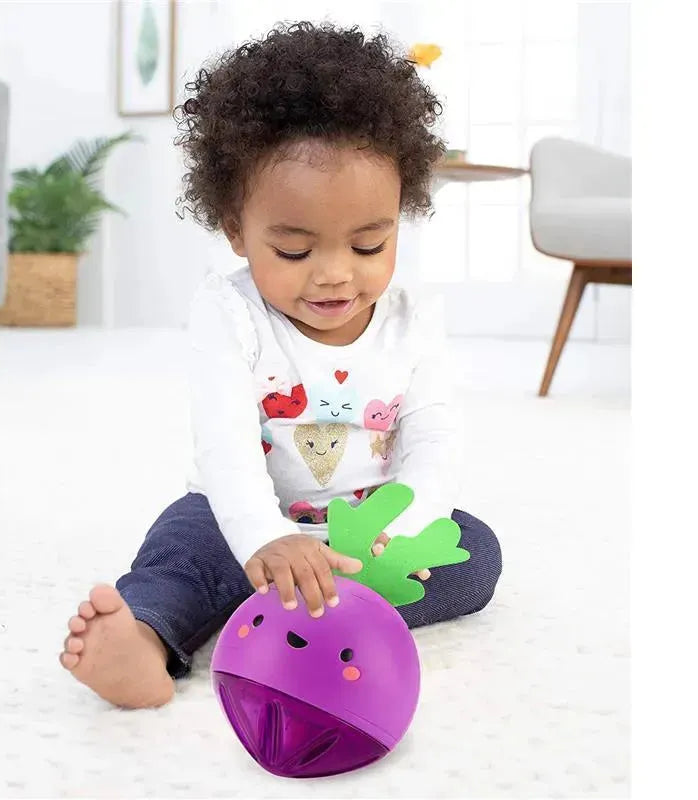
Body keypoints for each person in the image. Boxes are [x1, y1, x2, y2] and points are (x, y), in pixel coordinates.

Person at [59, 21, 502, 709]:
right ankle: (145, 638)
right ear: (236, 229)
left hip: (365, 535)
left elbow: (434, 436)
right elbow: (225, 445)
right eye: (295, 251)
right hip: (243, 521)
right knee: (181, 550)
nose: (334, 274)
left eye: (368, 244)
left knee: (475, 553)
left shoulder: (415, 319)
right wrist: (264, 539)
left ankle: (319, 603)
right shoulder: (229, 312)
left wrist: (404, 530)